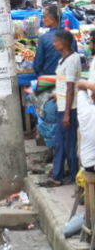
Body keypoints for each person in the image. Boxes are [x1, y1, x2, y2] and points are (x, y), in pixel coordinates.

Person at [47, 28, 80, 185]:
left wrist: (67, 114)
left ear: (63, 44)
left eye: (56, 42)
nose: (53, 44)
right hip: (62, 106)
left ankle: (73, 174)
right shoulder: (63, 59)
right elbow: (62, 84)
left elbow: (70, 87)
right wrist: (56, 94)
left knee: (68, 143)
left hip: (69, 108)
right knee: (61, 142)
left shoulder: (72, 61)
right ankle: (57, 175)